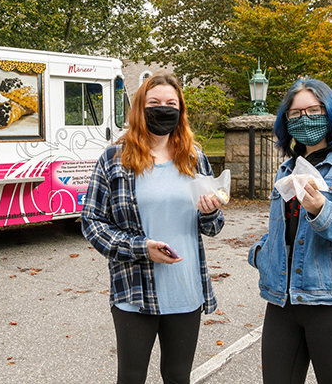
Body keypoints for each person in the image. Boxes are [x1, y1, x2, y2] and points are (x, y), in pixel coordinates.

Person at [81, 72, 225, 384]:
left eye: (171, 103)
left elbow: (213, 227)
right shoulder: (114, 159)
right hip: (134, 290)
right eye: (155, 103)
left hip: (186, 289)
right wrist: (141, 248)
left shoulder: (194, 158)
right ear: (139, 109)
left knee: (177, 376)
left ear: (181, 110)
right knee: (131, 377)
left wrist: (210, 212)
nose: (163, 109)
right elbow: (92, 222)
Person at [248, 78, 332, 384]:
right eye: (295, 114)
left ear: (331, 113)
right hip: (282, 306)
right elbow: (281, 231)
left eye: (314, 110)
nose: (305, 118)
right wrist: (261, 254)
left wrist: (323, 212)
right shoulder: (288, 168)